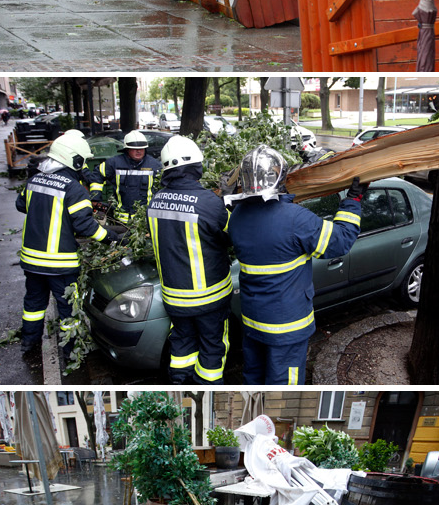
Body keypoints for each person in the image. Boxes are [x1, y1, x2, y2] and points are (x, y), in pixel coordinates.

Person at [226, 145, 365, 384]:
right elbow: (339, 242)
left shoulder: (237, 217)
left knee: (255, 376)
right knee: (284, 384)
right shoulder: (295, 219)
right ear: (280, 177)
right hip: (287, 327)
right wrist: (353, 201)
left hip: (253, 322)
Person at [16, 131, 111, 358]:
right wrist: (110, 238)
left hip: (31, 261)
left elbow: (21, 205)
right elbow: (87, 227)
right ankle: (71, 351)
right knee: (68, 309)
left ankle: (28, 343)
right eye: (82, 160)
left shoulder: (34, 179)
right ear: (74, 159)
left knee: (34, 305)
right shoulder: (73, 188)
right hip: (60, 263)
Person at [146, 135, 232, 383]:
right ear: (196, 166)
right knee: (212, 348)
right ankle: (208, 384)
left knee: (182, 345)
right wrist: (227, 204)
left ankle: (179, 381)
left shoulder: (155, 201)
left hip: (173, 296)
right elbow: (231, 236)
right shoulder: (209, 203)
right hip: (210, 297)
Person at [99, 130, 163, 223]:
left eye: (141, 148)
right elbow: (97, 175)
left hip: (145, 220)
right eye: (134, 148)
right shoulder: (114, 163)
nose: (138, 151)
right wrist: (96, 197)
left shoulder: (155, 165)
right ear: (127, 149)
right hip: (119, 220)